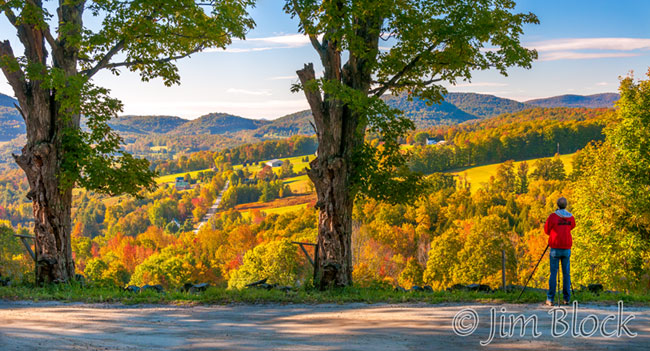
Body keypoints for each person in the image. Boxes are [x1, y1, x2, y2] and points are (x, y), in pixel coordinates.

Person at [544, 197, 575, 306]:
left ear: (557, 205)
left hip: (555, 247)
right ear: (566, 205)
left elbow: (546, 230)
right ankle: (566, 298)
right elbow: (572, 226)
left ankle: (550, 299)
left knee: (553, 273)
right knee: (566, 274)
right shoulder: (570, 217)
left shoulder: (553, 217)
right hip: (566, 247)